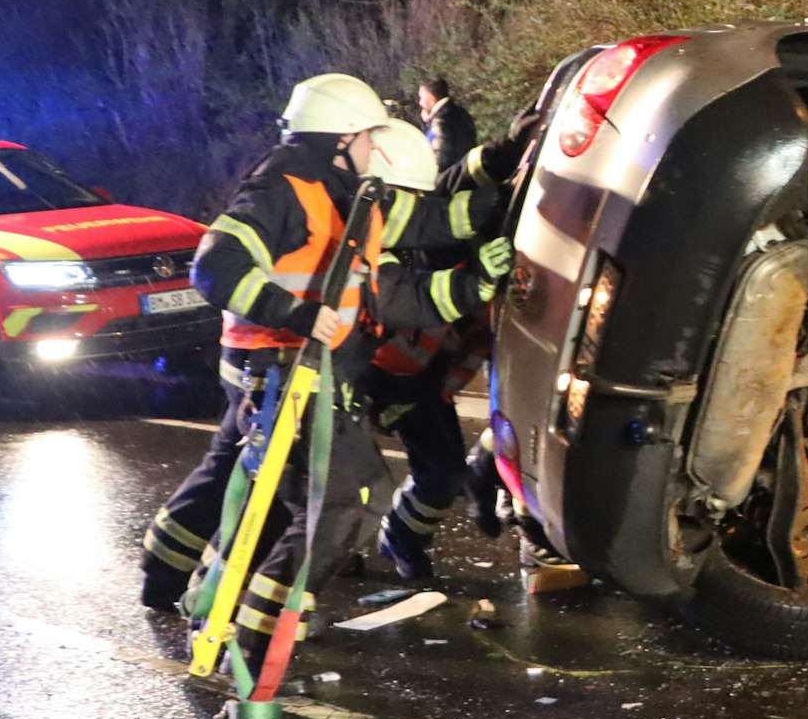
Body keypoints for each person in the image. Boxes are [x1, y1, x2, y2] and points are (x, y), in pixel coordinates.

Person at [136, 74, 511, 613]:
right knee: (307, 496)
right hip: (273, 364)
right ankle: (239, 614)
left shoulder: (345, 195)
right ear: (341, 137)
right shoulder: (284, 188)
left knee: (236, 475)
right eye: (365, 136)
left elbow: (428, 222)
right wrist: (297, 313)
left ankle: (179, 581)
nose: (372, 147)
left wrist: (506, 207)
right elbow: (215, 266)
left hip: (289, 364)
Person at [368, 105, 541, 579]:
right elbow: (458, 181)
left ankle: (399, 539)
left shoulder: (521, 248)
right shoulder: (423, 225)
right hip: (372, 371)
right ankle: (302, 555)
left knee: (442, 476)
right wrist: (508, 151)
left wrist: (511, 148)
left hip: (426, 378)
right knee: (335, 481)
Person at [419, 76, 478, 173]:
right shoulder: (461, 112)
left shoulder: (440, 121)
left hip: (451, 178)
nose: (420, 103)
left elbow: (440, 158)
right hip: (467, 172)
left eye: (421, 98)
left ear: (431, 98)